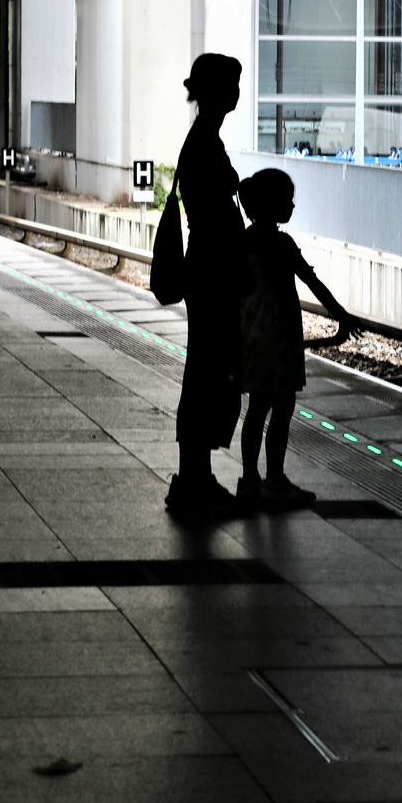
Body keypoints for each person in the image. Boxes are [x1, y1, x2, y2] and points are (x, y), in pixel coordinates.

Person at [236, 167, 360, 505]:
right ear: (270, 204)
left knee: (257, 407)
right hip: (281, 338)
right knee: (283, 406)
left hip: (253, 337)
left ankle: (249, 478)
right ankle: (274, 477)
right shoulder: (282, 243)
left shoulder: (244, 241)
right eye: (287, 200)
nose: (292, 206)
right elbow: (312, 282)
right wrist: (341, 314)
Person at [165, 53, 252, 514]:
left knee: (206, 371)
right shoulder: (204, 144)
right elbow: (205, 215)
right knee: (207, 374)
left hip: (209, 269)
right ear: (213, 90)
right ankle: (194, 479)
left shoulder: (202, 140)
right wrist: (237, 241)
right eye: (231, 84)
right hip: (212, 271)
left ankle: (195, 475)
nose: (237, 92)